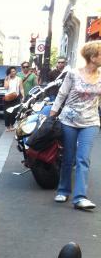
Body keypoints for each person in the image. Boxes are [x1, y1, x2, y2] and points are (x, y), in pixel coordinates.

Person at [51, 41, 101, 210]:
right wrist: (53, 113)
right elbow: (61, 94)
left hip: (91, 121)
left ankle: (80, 197)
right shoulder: (73, 74)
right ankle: (63, 190)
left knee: (83, 158)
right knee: (68, 157)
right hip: (69, 120)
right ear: (93, 57)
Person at [3, 66, 24, 130]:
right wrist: (8, 79)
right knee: (7, 113)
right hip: (8, 98)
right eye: (11, 71)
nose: (13, 72)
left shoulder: (19, 79)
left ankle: (12, 125)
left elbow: (21, 88)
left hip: (16, 97)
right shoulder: (7, 79)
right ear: (9, 72)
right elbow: (6, 87)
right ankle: (7, 126)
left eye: (14, 71)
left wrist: (23, 96)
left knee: (14, 112)